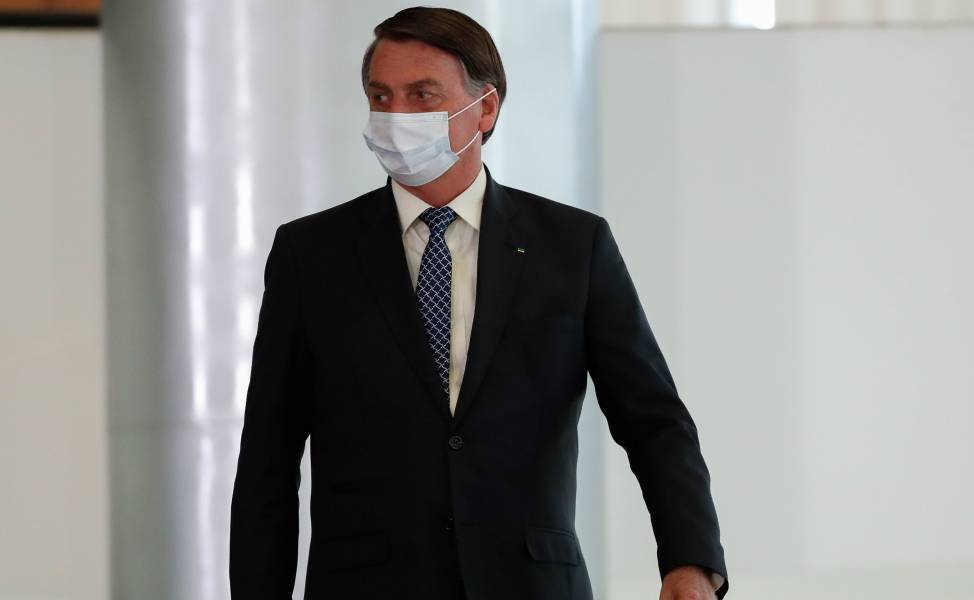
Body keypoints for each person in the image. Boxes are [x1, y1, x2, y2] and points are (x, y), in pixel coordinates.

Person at [229, 7, 727, 599]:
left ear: (485, 108)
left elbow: (654, 420)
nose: (396, 116)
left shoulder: (572, 246)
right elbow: (268, 458)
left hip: (530, 583)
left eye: (422, 95)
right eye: (381, 97)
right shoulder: (311, 254)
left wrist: (690, 562)